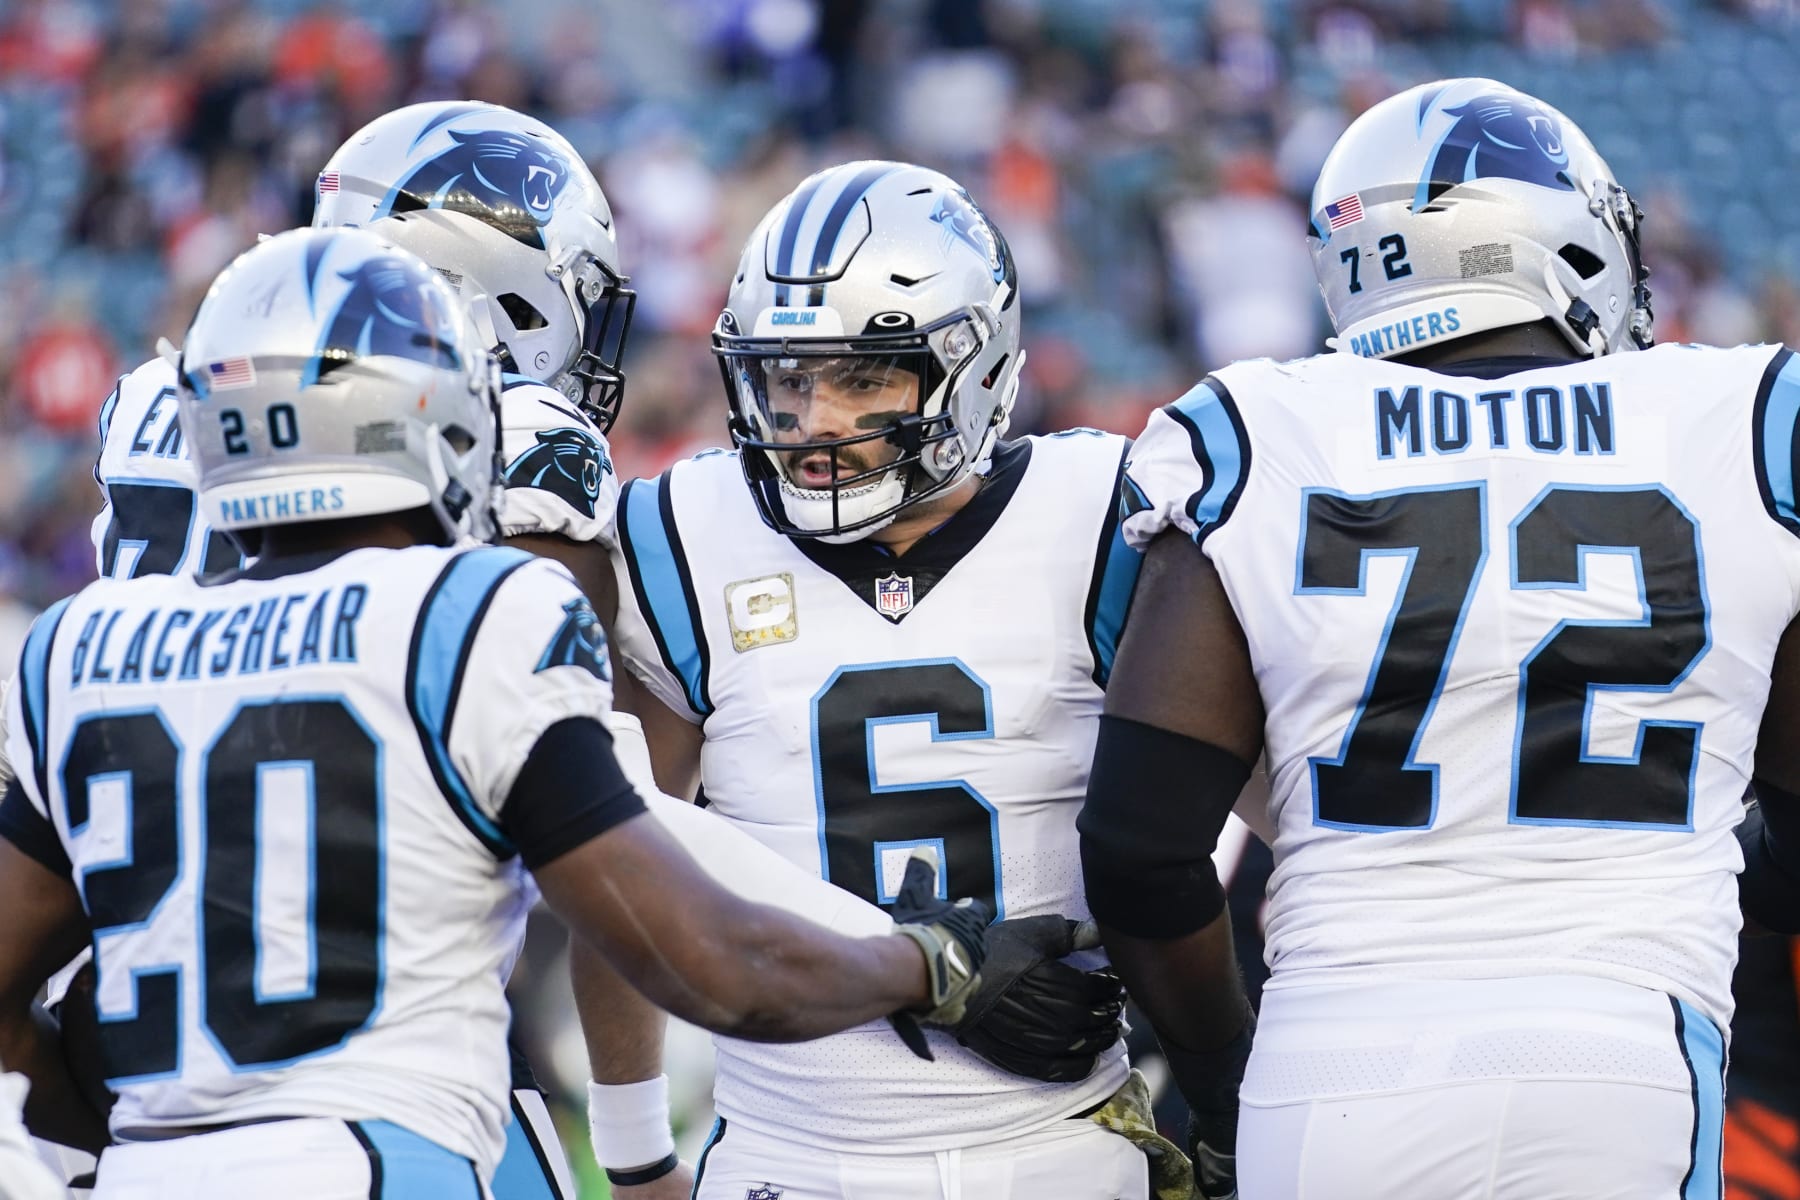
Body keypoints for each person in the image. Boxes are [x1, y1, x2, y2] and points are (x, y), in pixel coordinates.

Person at [0, 227, 992, 1198]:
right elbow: (715, 969)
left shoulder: (78, 647)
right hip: (388, 1161)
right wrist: (925, 964)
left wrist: (144, 1136)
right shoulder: (469, 614)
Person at [1081, 75, 1800, 1200]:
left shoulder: (1256, 432)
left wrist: (1223, 1068)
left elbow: (1138, 846)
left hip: (1331, 1059)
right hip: (1622, 1047)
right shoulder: (1747, 419)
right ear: (1565, 242)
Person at [589, 159, 1151, 1200]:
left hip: (1060, 1139)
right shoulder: (683, 537)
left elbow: (1207, 819)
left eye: (860, 377)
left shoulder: (1102, 513)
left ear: (973, 367)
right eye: (789, 378)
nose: (812, 420)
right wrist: (631, 1152)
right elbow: (617, 861)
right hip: (793, 1157)